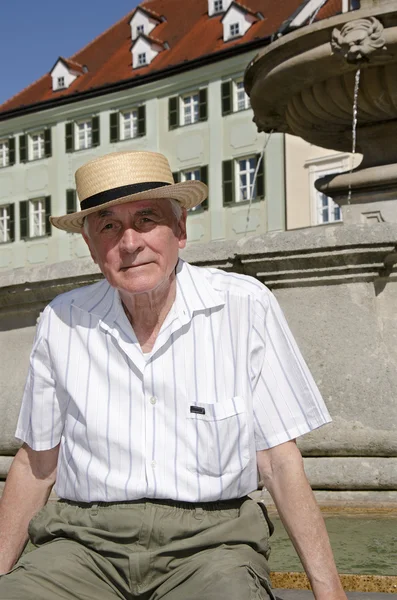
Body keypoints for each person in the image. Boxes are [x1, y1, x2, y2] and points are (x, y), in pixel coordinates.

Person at [0, 151, 347, 600]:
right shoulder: (61, 320)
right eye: (108, 226)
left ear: (180, 229)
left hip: (211, 542)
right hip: (82, 543)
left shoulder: (244, 306)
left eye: (146, 220)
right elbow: (36, 462)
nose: (129, 243)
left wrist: (330, 591)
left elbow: (279, 462)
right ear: (91, 247)